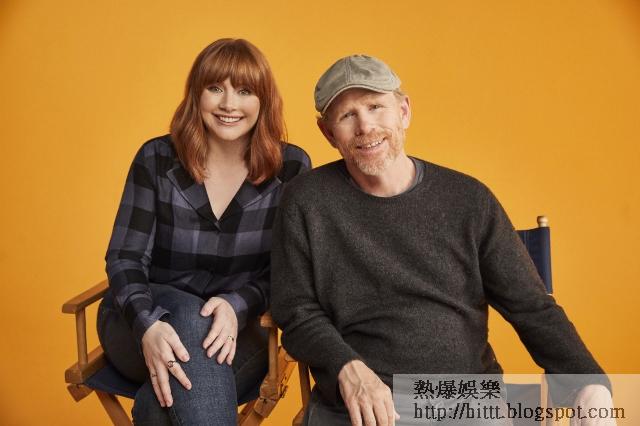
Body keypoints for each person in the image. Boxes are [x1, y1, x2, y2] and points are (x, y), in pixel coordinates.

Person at [271, 55, 613, 426]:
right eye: (347, 115)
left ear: (404, 112)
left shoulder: (469, 199)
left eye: (375, 107)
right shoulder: (306, 201)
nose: (365, 126)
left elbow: (532, 307)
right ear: (328, 133)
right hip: (364, 402)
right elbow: (296, 310)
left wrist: (589, 384)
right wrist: (346, 367)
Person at [98, 38, 311, 425]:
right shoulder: (156, 158)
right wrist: (147, 325)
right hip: (139, 322)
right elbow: (125, 258)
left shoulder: (291, 168)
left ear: (264, 100)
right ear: (196, 94)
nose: (229, 104)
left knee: (157, 408)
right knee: (190, 316)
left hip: (236, 334)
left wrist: (236, 304)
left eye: (244, 91)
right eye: (215, 88)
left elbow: (286, 271)